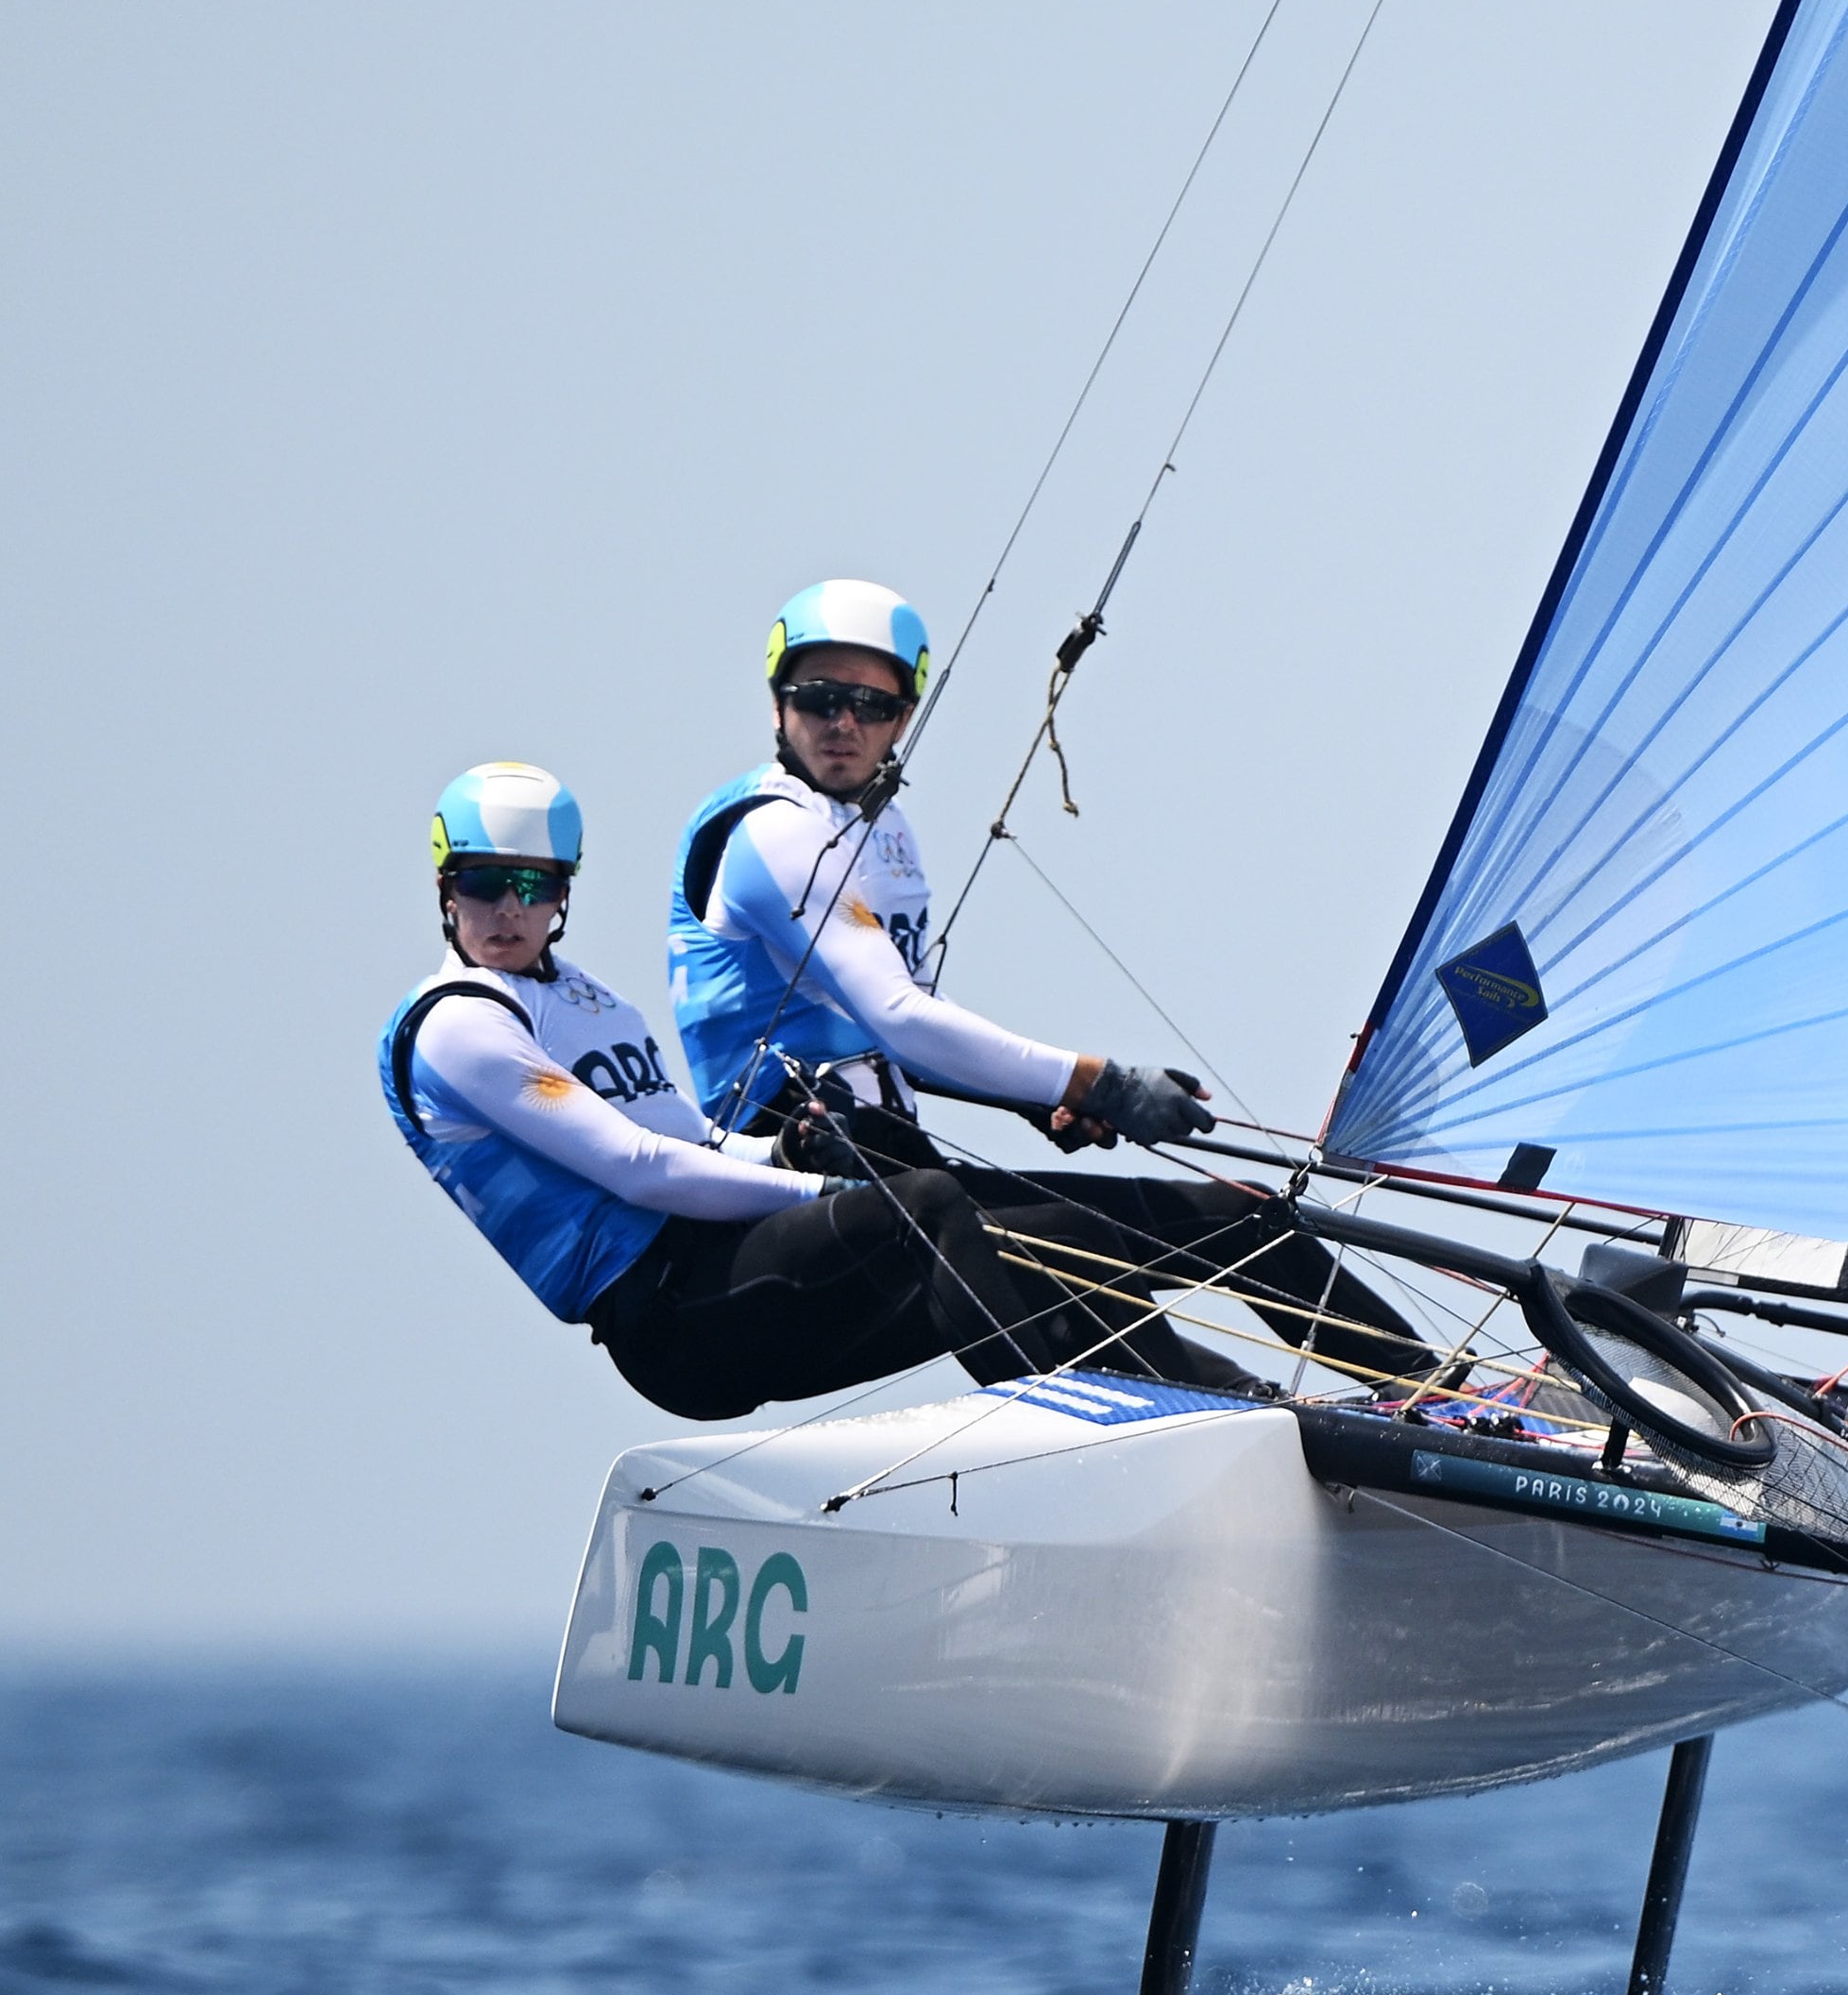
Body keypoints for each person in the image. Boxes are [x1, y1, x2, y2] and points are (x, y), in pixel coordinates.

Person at [382, 765, 1399, 1422]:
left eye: (535, 887)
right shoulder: (457, 1027)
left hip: (733, 1263)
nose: (508, 912)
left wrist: (775, 1159)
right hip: (671, 1323)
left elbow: (688, 1136)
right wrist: (825, 1196)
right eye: (483, 884)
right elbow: (638, 1167)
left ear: (564, 893)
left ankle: (1432, 1392)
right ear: (443, 888)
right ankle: (1197, 1421)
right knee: (939, 1206)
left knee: (1142, 1223)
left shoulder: (588, 1000)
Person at [664, 579, 1430, 1393]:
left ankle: (1430, 1396)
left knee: (1242, 1220)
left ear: (905, 719)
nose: (844, 723)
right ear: (780, 703)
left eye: (872, 705)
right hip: (816, 1173)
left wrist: (1039, 1099)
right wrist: (1096, 1079)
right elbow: (901, 1017)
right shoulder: (773, 831)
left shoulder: (880, 831)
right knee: (1074, 1246)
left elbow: (913, 1032)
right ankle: (1280, 1417)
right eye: (821, 699)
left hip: (898, 1151)